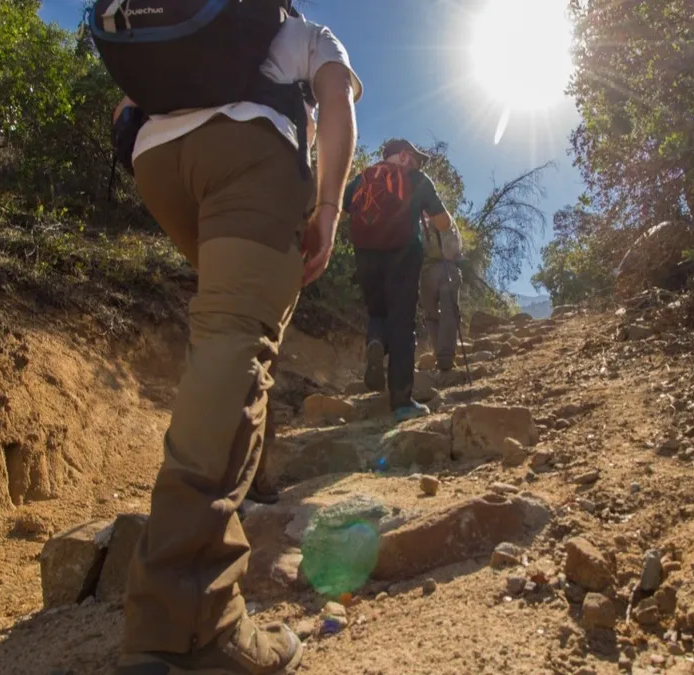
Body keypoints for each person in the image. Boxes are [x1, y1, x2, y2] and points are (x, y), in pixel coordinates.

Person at [112, 9, 362, 675]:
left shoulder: (186, 17)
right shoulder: (300, 27)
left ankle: (240, 496)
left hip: (158, 164)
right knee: (234, 340)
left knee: (231, 340)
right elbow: (336, 100)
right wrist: (329, 208)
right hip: (248, 153)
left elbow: (124, 105)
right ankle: (187, 621)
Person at [343, 139, 453, 422]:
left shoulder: (362, 179)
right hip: (404, 255)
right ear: (403, 156)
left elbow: (345, 206)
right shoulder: (416, 179)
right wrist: (445, 227)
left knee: (377, 311)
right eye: (415, 158)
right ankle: (402, 401)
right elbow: (442, 222)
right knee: (402, 321)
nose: (417, 163)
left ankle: (376, 340)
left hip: (366, 257)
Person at [419, 214, 464, 373]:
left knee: (431, 315)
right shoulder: (446, 219)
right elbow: (456, 248)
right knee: (449, 311)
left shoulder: (419, 223)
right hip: (449, 271)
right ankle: (445, 358)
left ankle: (440, 355)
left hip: (426, 274)